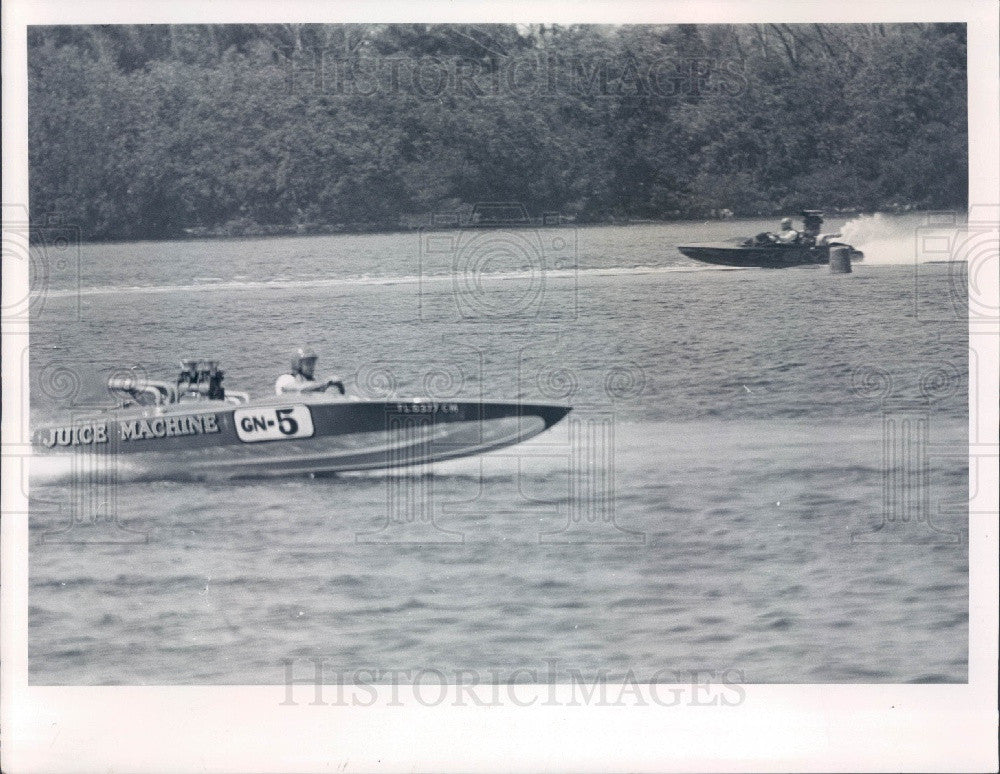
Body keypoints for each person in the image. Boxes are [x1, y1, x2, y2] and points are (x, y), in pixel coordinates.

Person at [275, 347, 346, 396]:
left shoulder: (313, 383)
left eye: (313, 363)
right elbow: (298, 389)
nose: (312, 366)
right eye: (308, 363)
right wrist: (327, 382)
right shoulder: (285, 379)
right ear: (297, 364)